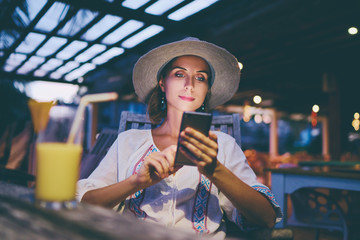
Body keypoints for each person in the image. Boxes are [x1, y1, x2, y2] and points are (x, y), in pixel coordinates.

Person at [77, 37, 282, 238]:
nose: (189, 84)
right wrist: (136, 182)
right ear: (162, 83)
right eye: (178, 74)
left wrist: (215, 170)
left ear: (206, 90)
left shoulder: (224, 145)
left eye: (200, 77)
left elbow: (266, 218)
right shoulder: (129, 141)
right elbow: (86, 205)